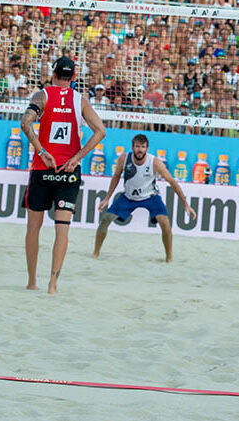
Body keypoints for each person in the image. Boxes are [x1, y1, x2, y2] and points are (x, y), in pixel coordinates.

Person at [20, 56, 106, 294]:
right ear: (74, 77)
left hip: (42, 168)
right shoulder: (80, 100)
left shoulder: (43, 95)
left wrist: (42, 151)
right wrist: (77, 157)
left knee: (33, 228)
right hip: (68, 170)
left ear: (54, 74)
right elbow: (101, 131)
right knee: (62, 229)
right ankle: (53, 284)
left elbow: (25, 123)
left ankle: (32, 281)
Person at [93, 134, 196, 261]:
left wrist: (186, 204)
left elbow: (172, 182)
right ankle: (95, 254)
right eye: (137, 146)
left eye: (143, 147)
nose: (140, 150)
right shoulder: (124, 159)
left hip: (150, 197)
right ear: (132, 147)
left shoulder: (155, 162)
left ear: (147, 148)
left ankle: (169, 258)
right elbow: (116, 176)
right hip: (128, 197)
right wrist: (107, 198)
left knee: (165, 222)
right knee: (105, 219)